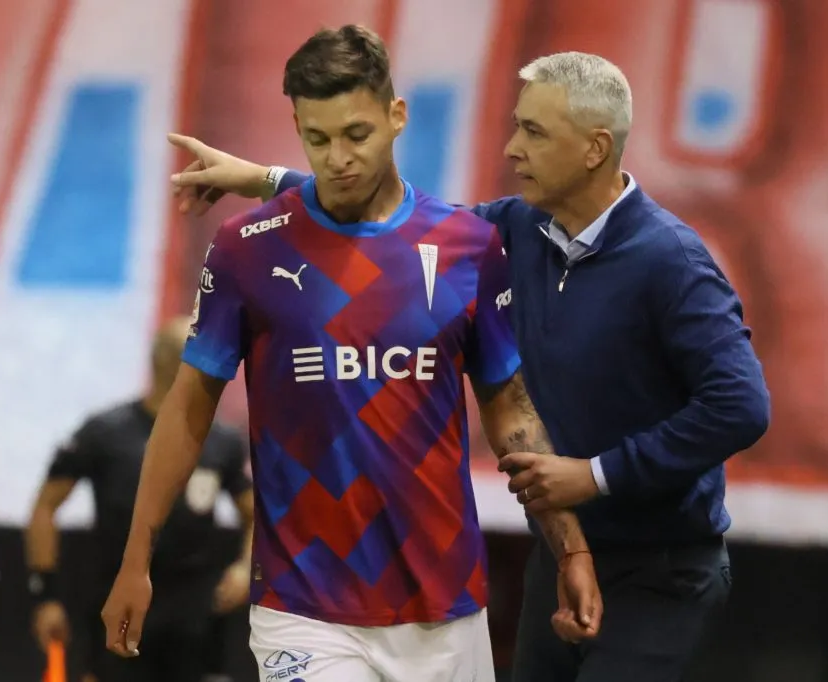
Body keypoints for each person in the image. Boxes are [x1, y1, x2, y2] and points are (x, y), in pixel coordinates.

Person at [167, 49, 771, 682]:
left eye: (534, 132)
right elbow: (398, 224)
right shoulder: (519, 227)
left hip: (661, 569)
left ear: (595, 149)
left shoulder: (670, 261)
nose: (512, 148)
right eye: (517, 125)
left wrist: (597, 475)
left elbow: (741, 407)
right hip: (563, 552)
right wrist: (264, 179)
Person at [101, 25, 602, 682]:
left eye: (356, 135)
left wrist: (570, 549)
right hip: (303, 608)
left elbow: (510, 410)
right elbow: (188, 410)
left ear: (397, 116)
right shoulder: (247, 248)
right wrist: (136, 558)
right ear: (298, 127)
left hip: (443, 605)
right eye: (317, 139)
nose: (337, 156)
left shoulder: (467, 247)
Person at [25, 317, 254, 682]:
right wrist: (46, 593)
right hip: (120, 600)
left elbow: (255, 514)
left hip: (195, 612)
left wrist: (246, 568)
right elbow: (45, 507)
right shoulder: (105, 433)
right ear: (173, 363)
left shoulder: (222, 441)